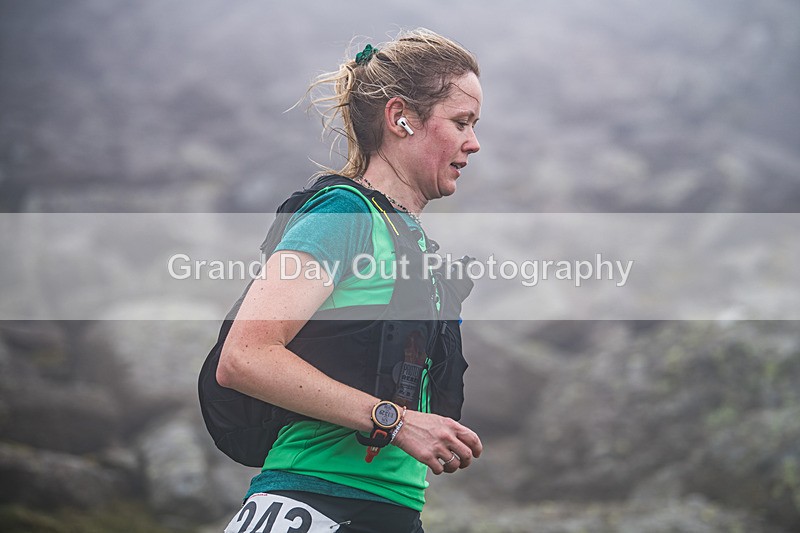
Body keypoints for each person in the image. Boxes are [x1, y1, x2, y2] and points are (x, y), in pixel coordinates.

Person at [216, 28, 483, 533]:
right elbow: (244, 357)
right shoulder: (343, 213)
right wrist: (398, 421)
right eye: (461, 121)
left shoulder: (404, 236)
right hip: (312, 499)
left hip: (388, 510)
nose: (474, 142)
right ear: (400, 117)